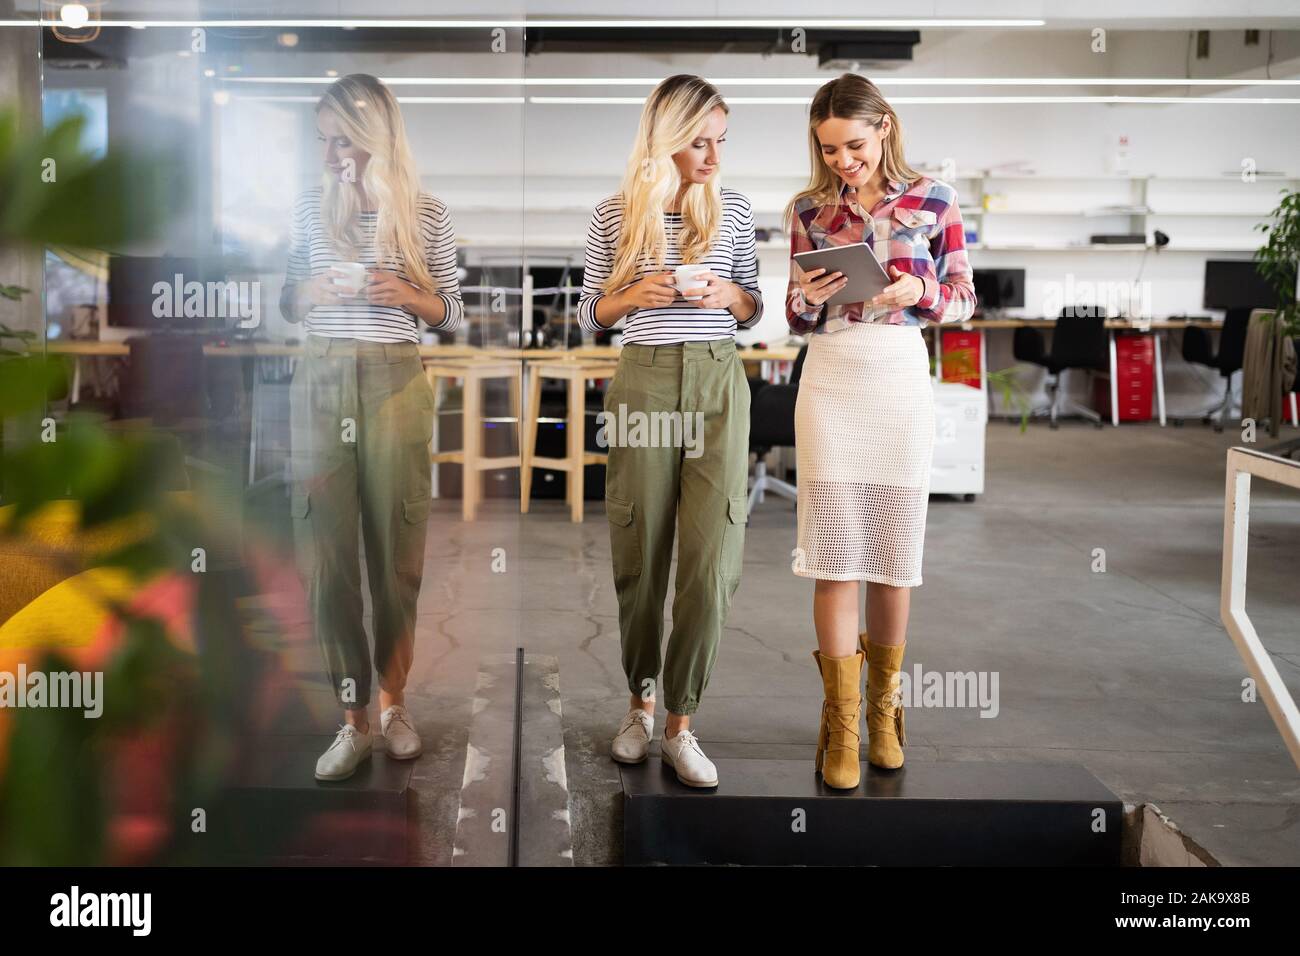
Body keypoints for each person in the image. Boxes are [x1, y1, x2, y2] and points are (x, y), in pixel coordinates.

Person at [785, 73, 976, 788]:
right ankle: (838, 729)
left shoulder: (937, 198)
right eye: (830, 149)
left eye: (854, 146)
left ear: (884, 129)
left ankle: (885, 715)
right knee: (834, 554)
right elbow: (795, 315)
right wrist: (805, 296)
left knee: (894, 557)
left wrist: (918, 291)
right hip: (832, 377)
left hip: (898, 374)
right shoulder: (808, 209)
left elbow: (962, 297)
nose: (843, 161)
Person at [576, 75, 763, 788]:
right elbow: (594, 311)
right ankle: (639, 706)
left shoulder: (736, 211)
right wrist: (634, 294)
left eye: (721, 141)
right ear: (664, 141)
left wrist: (729, 294)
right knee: (640, 551)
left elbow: (754, 306)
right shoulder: (615, 213)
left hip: (718, 378)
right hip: (644, 378)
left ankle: (683, 723)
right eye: (698, 141)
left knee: (712, 558)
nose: (713, 156)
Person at [279, 73, 464, 781]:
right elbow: (289, 302)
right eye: (323, 140)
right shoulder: (307, 210)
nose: (331, 154)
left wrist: (407, 293)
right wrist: (312, 289)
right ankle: (351, 718)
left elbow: (449, 312)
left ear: (376, 139)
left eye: (343, 140)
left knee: (397, 554)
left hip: (395, 378)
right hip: (322, 378)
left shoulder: (426, 215)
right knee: (325, 556)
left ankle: (394, 704)